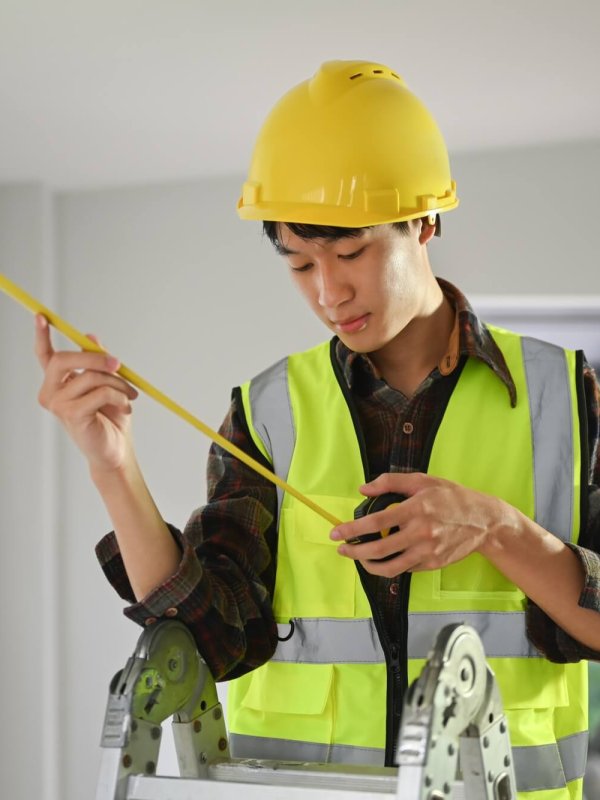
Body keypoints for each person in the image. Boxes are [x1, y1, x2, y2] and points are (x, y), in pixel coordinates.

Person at [35, 60, 600, 800]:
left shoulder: (567, 395)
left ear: (425, 220)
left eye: (352, 252)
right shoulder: (268, 411)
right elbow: (213, 641)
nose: (329, 291)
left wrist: (497, 528)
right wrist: (111, 464)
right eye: (300, 263)